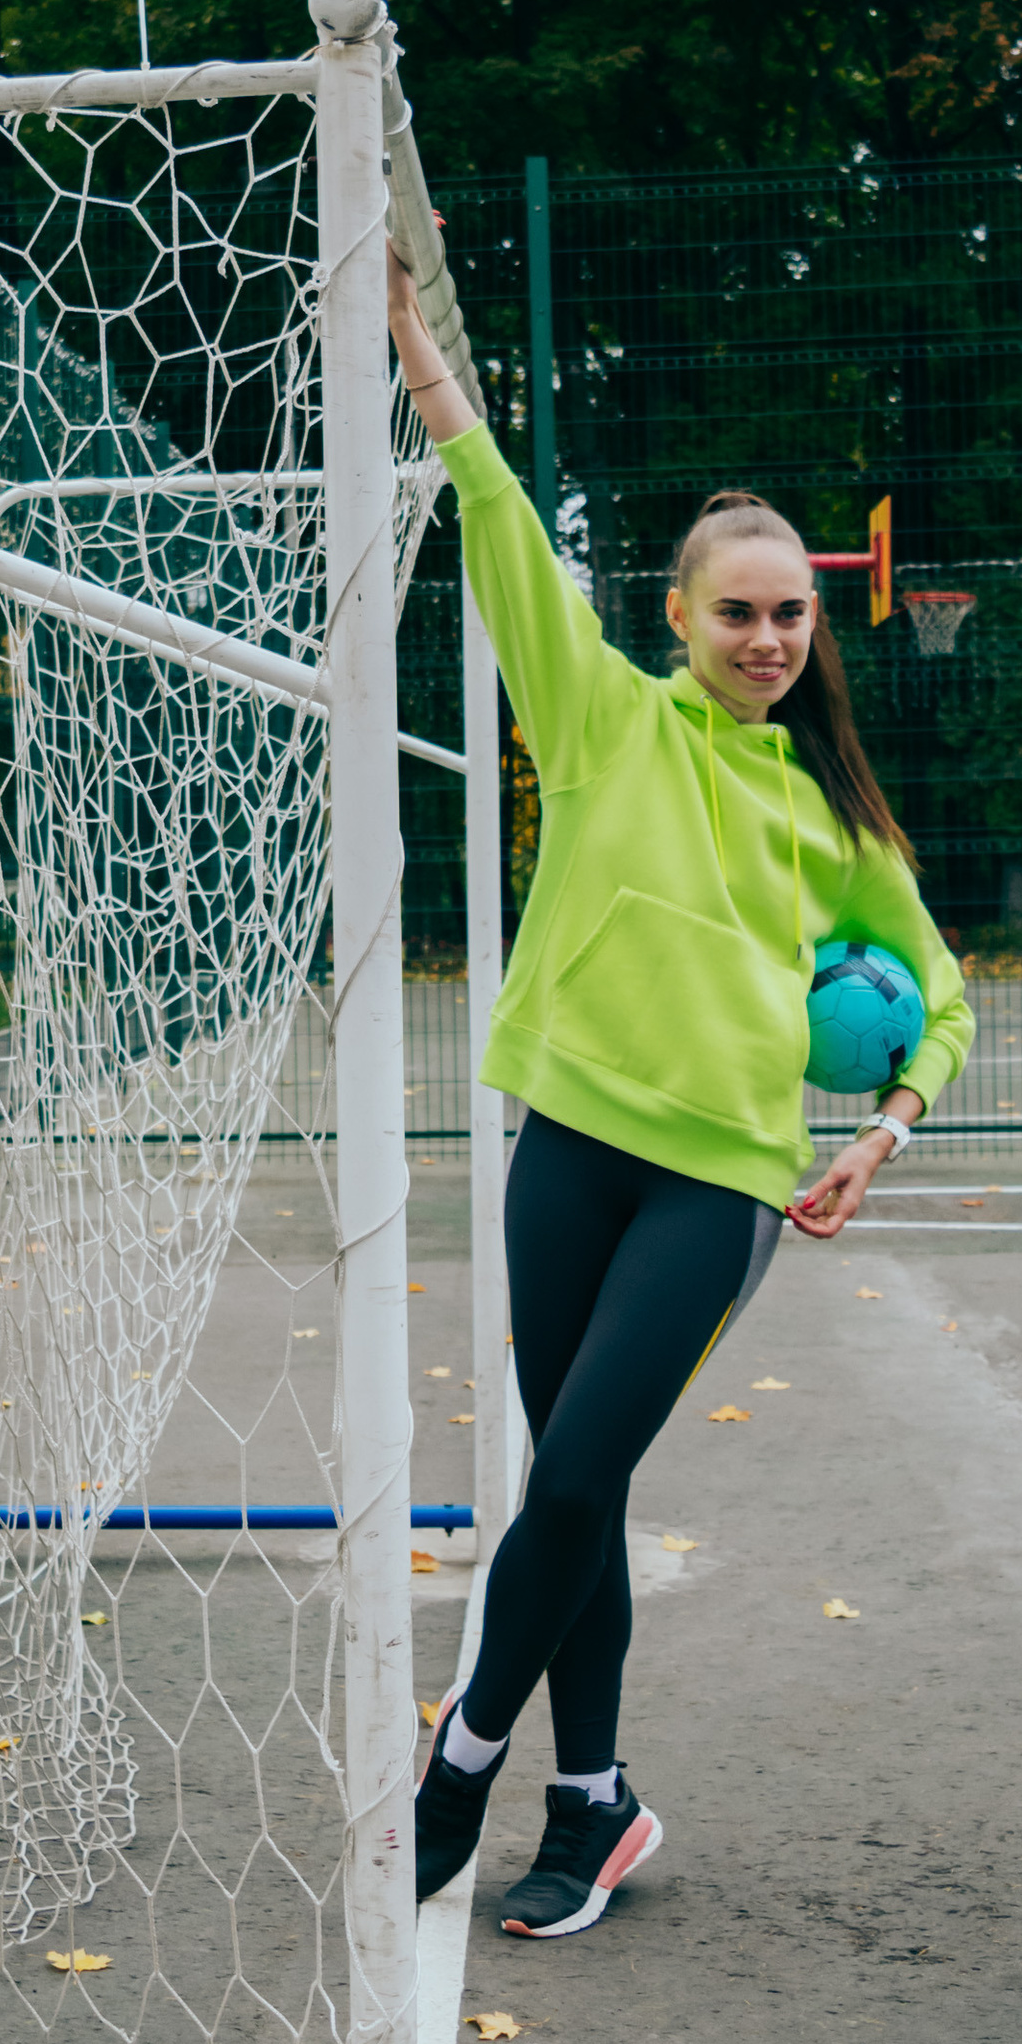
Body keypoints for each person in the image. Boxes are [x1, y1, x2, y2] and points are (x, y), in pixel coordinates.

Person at [387, 237, 972, 1938]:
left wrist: (884, 1125)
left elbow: (939, 998)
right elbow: (499, 524)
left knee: (568, 1482)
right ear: (678, 617)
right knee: (581, 1481)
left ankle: (466, 1756)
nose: (770, 636)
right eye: (739, 610)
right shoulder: (603, 723)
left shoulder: (832, 819)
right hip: (568, 1142)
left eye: (792, 612)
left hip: (718, 1185)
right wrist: (422, 355)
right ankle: (597, 1807)